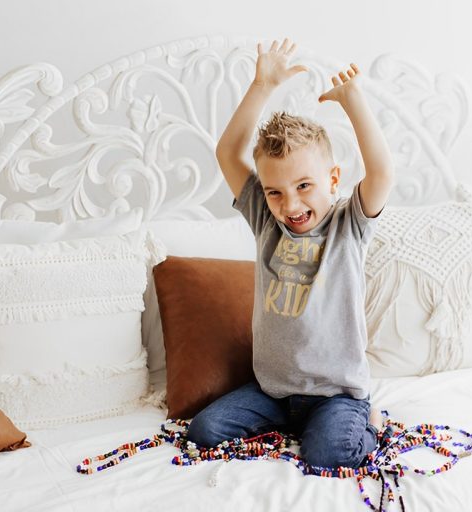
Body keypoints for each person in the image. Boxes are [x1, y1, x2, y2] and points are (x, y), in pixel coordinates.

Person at [186, 37, 395, 470]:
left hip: (336, 395)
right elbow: (228, 152)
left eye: (304, 186)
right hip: (273, 393)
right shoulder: (267, 221)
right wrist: (262, 86)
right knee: (203, 432)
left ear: (332, 179)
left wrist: (353, 101)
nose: (292, 205)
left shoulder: (348, 223)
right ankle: (294, 427)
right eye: (275, 192)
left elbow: (382, 172)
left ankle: (370, 422)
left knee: (330, 454)